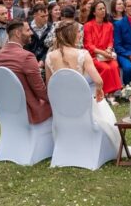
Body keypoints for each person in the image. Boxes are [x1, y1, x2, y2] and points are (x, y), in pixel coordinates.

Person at [45, 21, 121, 152]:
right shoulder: (83, 54)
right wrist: (99, 90)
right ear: (72, 35)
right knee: (104, 110)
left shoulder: (49, 57)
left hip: (62, 108)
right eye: (78, 34)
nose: (80, 36)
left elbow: (49, 85)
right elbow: (98, 80)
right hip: (82, 107)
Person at [0, 19, 52, 124]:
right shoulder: (27, 57)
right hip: (29, 112)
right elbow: (40, 91)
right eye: (28, 30)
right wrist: (55, 99)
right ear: (18, 33)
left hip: (6, 111)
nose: (31, 33)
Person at [84, 0, 123, 102]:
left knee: (114, 66)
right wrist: (102, 52)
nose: (103, 10)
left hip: (106, 54)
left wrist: (109, 49)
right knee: (105, 68)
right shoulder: (88, 26)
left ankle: (111, 94)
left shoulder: (109, 25)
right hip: (94, 55)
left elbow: (111, 41)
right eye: (100, 9)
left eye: (103, 8)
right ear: (94, 12)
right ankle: (103, 93)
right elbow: (88, 45)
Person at [26, 3, 52, 72]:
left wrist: (43, 60)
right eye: (42, 16)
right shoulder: (26, 27)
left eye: (47, 16)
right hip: (28, 63)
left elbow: (51, 48)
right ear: (35, 16)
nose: (46, 18)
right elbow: (24, 47)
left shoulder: (52, 27)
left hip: (46, 63)